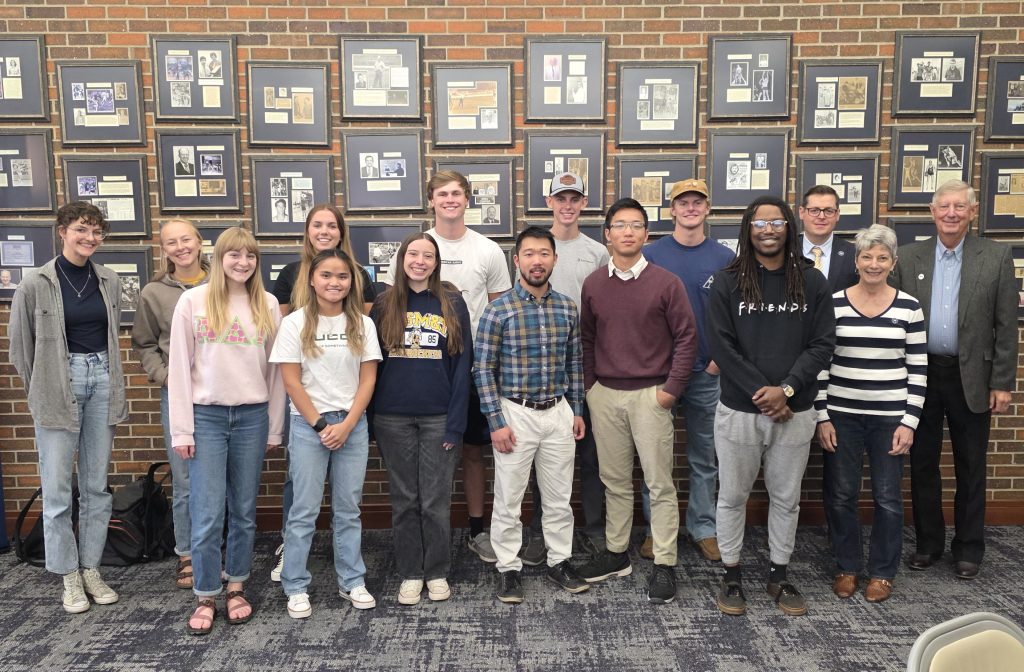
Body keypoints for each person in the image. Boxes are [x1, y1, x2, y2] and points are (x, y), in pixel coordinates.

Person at [707, 195, 835, 617]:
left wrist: (789, 390)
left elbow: (822, 344)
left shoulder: (811, 281)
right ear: (748, 228)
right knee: (732, 497)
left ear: (788, 227)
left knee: (786, 498)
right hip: (739, 411)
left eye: (775, 223)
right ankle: (732, 575)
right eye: (759, 223)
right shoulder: (727, 280)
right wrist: (765, 392)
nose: (767, 230)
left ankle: (779, 574)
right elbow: (721, 346)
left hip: (794, 413)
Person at [892, 180, 1018, 580]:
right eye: (944, 206)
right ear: (932, 212)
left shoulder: (996, 257)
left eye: (959, 207)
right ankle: (928, 543)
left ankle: (968, 547)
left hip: (974, 377)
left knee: (971, 465)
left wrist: (1002, 382)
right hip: (920, 375)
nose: (951, 213)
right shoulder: (909, 258)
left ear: (972, 211)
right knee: (923, 464)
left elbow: (1006, 325)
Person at [385, 170, 512, 564]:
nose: (450, 200)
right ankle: (418, 542)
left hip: (471, 368)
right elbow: (393, 308)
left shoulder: (488, 250)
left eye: (457, 193)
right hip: (422, 369)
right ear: (432, 200)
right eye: (443, 194)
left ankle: (476, 530)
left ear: (468, 199)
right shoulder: (413, 248)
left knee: (473, 451)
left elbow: (501, 311)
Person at [577, 197, 698, 605]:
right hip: (605, 395)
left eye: (636, 225)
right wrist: (591, 386)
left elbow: (686, 338)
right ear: (607, 234)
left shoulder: (666, 282)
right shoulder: (593, 283)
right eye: (620, 225)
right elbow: (588, 338)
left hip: (652, 396)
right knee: (613, 481)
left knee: (658, 483)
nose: (628, 232)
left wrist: (669, 392)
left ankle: (664, 562)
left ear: (647, 235)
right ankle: (616, 554)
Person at [9, 202, 125, 614]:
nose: (89, 238)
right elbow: (21, 349)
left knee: (95, 486)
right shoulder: (35, 283)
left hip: (102, 380)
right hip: (59, 385)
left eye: (96, 232)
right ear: (62, 231)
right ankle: (68, 575)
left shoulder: (108, 280)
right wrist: (41, 389)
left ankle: (91, 566)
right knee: (58, 489)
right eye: (81, 229)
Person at [168, 227, 285, 634]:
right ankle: (205, 593)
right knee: (206, 511)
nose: (243, 262)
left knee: (244, 510)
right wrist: (182, 430)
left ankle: (236, 585)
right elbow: (178, 371)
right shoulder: (193, 301)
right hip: (207, 418)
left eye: (250, 256)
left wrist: (274, 427)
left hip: (252, 417)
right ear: (218, 258)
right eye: (234, 255)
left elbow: (275, 373)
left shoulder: (267, 303)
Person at [474, 226, 589, 604]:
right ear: (516, 260)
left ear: (554, 259)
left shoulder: (566, 307)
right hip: (514, 413)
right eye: (529, 254)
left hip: (557, 411)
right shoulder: (498, 309)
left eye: (544, 253)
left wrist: (576, 410)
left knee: (559, 498)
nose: (536, 261)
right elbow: (483, 370)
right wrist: (496, 422)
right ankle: (508, 567)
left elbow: (574, 361)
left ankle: (560, 561)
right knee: (509, 498)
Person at [815, 224, 927, 604]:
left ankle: (882, 572)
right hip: (842, 416)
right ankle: (847, 567)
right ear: (857, 261)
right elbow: (821, 364)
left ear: (893, 263)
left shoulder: (910, 307)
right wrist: (822, 416)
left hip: (890, 419)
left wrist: (909, 422)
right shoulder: (834, 303)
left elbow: (918, 370)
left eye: (882, 257)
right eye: (867, 256)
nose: (873, 264)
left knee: (887, 498)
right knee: (842, 495)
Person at [270, 248, 382, 618]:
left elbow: (369, 379)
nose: (335, 282)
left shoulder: (362, 324)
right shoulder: (295, 323)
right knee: (303, 510)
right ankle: (296, 585)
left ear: (352, 282)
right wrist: (321, 425)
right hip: (308, 426)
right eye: (327, 276)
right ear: (313, 280)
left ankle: (352, 580)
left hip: (352, 424)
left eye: (343, 277)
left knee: (348, 510)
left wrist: (348, 423)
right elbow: (291, 380)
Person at [371, 233, 473, 606]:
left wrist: (455, 422)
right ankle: (412, 572)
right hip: (391, 417)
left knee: (434, 501)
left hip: (439, 416)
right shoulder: (384, 304)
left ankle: (438, 571)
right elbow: (371, 366)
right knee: (405, 500)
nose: (419, 260)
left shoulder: (453, 303)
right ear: (401, 259)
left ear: (436, 262)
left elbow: (463, 366)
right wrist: (369, 419)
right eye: (412, 253)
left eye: (427, 255)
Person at [641, 179, 735, 563]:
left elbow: (733, 314)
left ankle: (703, 527)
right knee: (654, 459)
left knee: (703, 457)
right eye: (683, 203)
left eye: (698, 202)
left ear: (707, 208)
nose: (691, 208)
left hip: (705, 374)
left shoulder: (725, 257)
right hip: (660, 375)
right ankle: (656, 530)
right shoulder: (652, 254)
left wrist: (718, 360)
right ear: (672, 210)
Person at [519, 172, 609, 567]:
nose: (567, 204)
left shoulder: (596, 252)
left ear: (584, 202)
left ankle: (589, 532)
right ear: (549, 200)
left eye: (575, 198)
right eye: (561, 198)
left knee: (588, 455)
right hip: (544, 369)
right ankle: (540, 531)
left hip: (588, 364)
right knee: (543, 455)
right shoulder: (535, 249)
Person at [131, 219, 210, 590]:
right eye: (171, 242)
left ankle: (213, 549)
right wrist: (165, 376)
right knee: (185, 478)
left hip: (217, 394)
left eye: (186, 239)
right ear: (163, 249)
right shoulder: (153, 292)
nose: (181, 247)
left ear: (199, 242)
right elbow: (145, 343)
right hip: (176, 395)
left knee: (217, 477)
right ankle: (188, 554)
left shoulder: (221, 283)